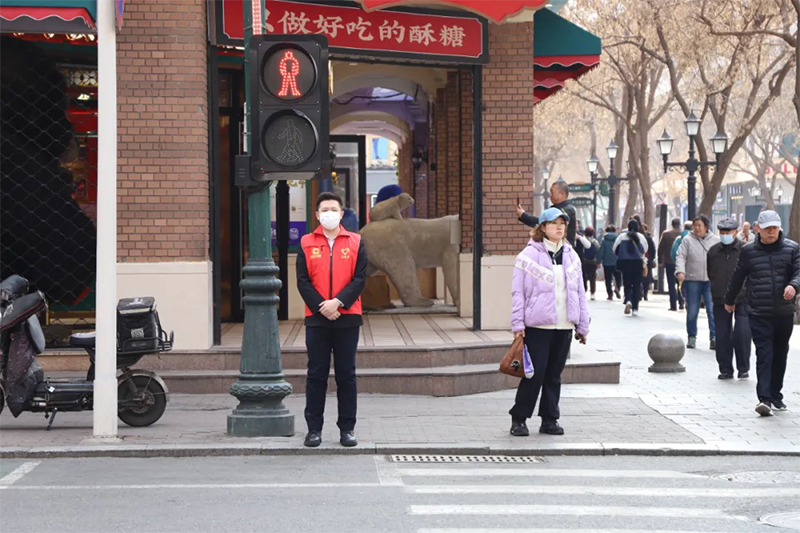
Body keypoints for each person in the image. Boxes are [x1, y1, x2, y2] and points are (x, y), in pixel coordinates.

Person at [509, 208, 590, 437]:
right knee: (534, 374)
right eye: (554, 223)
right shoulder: (527, 255)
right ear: (542, 227)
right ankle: (519, 419)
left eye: (562, 223)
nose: (559, 227)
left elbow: (580, 293)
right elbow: (518, 293)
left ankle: (550, 419)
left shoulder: (572, 256)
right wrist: (518, 325)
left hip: (564, 326)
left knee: (554, 375)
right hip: (538, 326)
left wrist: (582, 325)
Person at [297, 192, 368, 448]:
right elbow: (303, 281)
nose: (329, 213)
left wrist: (337, 302)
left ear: (341, 213)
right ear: (317, 215)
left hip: (347, 317)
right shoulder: (306, 242)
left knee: (346, 375)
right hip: (317, 319)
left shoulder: (356, 242)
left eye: (333, 209)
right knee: (316, 375)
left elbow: (359, 279)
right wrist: (322, 307)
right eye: (324, 210)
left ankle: (347, 429)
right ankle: (313, 430)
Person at [725, 210, 800, 416]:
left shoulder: (792, 249)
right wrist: (729, 300)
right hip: (759, 312)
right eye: (767, 229)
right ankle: (764, 398)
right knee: (764, 354)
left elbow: (798, 272)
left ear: (779, 228)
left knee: (780, 354)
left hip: (784, 312)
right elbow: (737, 277)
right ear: (758, 229)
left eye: (774, 228)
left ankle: (776, 394)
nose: (771, 232)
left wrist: (794, 286)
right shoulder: (748, 251)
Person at [707, 218, 751, 380]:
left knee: (742, 333)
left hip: (742, 298)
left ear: (736, 232)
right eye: (722, 232)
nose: (725, 235)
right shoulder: (713, 252)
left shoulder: (745, 250)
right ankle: (725, 369)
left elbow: (751, 274)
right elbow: (711, 273)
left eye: (728, 232)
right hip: (720, 298)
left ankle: (743, 367)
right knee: (722, 335)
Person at [676, 215, 719, 350]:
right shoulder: (687, 240)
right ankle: (692, 336)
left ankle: (714, 337)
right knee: (692, 310)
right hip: (692, 279)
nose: (697, 228)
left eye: (700, 225)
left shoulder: (715, 240)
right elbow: (680, 256)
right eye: (695, 225)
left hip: (710, 281)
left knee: (712, 310)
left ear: (706, 227)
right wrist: (680, 271)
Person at [516, 181, 577, 245]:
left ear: (562, 194)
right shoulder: (557, 208)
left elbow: (542, 222)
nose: (550, 195)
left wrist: (523, 215)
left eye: (552, 192)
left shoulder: (568, 210)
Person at [613, 219, 648, 316]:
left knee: (627, 283)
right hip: (637, 263)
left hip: (625, 263)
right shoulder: (641, 237)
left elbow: (614, 249)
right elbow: (645, 249)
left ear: (628, 227)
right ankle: (635, 308)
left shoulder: (621, 237)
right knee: (637, 285)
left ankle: (628, 300)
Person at [658, 217, 685, 311]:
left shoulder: (666, 234)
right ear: (679, 224)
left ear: (672, 224)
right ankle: (681, 302)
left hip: (669, 262)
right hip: (682, 263)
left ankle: (673, 305)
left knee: (671, 283)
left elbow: (660, 248)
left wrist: (660, 260)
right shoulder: (683, 234)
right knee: (680, 283)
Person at [598, 225, 622, 300]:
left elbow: (601, 252)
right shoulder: (618, 239)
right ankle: (617, 288)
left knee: (608, 279)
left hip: (606, 263)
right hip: (617, 262)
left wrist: (598, 261)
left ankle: (610, 295)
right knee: (618, 277)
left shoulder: (604, 240)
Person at [577, 227, 600, 300]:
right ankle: (592, 293)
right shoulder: (595, 242)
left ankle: (584, 290)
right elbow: (598, 251)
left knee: (584, 276)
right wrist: (598, 262)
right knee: (592, 278)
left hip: (584, 261)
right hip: (593, 261)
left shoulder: (582, 240)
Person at [641, 224, 657, 301]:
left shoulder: (647, 238)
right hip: (645, 260)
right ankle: (643, 292)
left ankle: (645, 293)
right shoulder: (646, 238)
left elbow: (652, 249)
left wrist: (650, 259)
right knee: (646, 277)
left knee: (646, 277)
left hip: (646, 260)